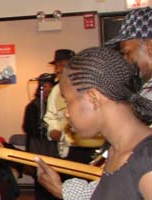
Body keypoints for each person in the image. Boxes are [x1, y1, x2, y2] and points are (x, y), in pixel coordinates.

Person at [38, 7, 152, 200]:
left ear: (93, 97)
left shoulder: (145, 158)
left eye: (68, 102)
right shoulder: (119, 152)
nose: (66, 113)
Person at [22, 73, 59, 200]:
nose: (47, 89)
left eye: (50, 86)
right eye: (44, 86)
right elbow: (28, 128)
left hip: (55, 148)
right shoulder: (33, 106)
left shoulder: (58, 104)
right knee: (42, 180)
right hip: (39, 147)